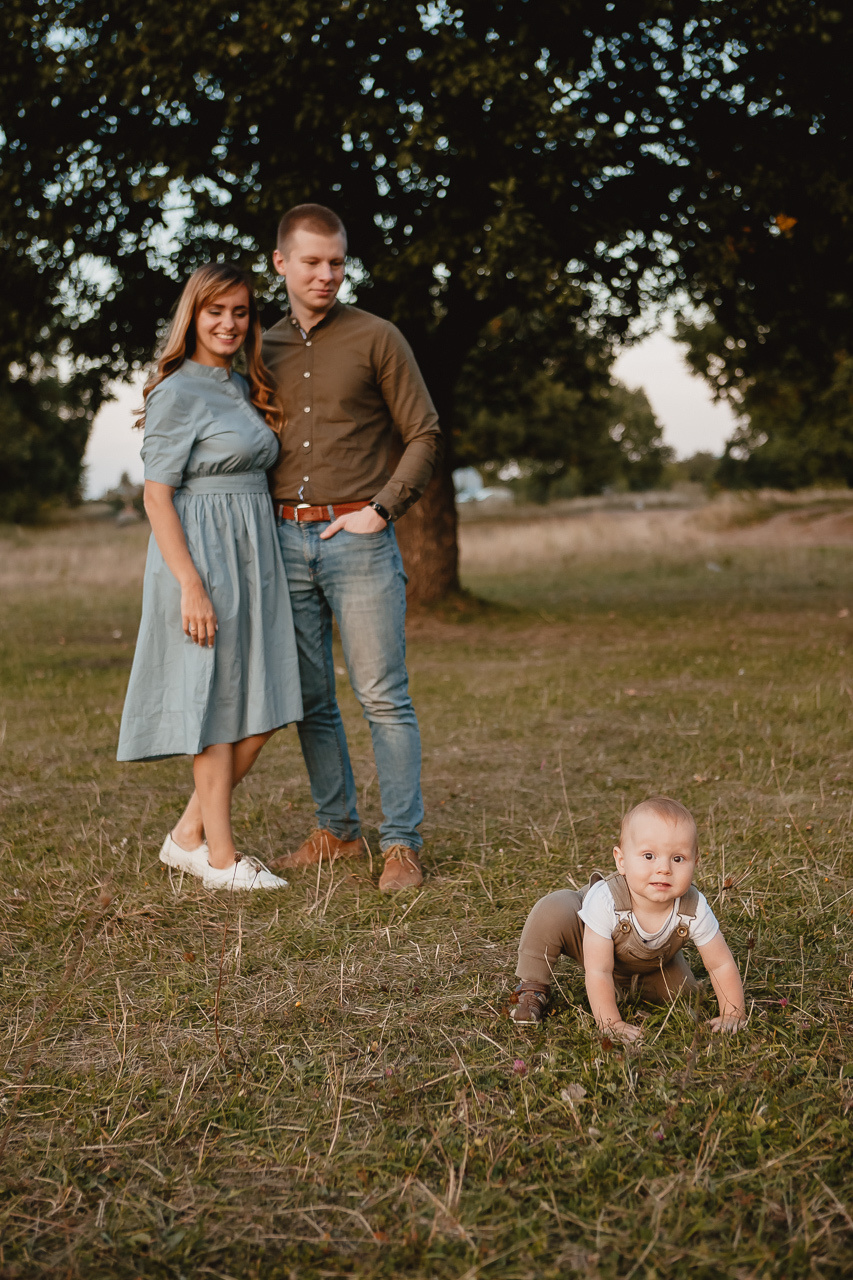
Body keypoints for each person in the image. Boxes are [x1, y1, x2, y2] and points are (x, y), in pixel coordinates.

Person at [261, 204, 442, 894]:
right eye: (311, 261)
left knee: (383, 697)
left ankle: (401, 844)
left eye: (336, 261)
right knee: (311, 698)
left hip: (358, 539)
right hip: (283, 539)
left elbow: (423, 432)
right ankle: (336, 831)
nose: (326, 274)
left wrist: (380, 509)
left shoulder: (378, 337)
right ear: (281, 262)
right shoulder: (260, 347)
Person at [117, 263, 302, 891]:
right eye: (215, 311)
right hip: (202, 557)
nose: (228, 323)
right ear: (193, 316)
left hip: (254, 556)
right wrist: (190, 585)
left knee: (267, 703)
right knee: (217, 704)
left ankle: (187, 835)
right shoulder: (176, 392)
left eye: (240, 312)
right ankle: (221, 861)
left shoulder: (243, 384)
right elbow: (156, 497)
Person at [510, 796, 747, 1038]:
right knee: (554, 909)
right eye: (649, 856)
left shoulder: (694, 907)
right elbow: (598, 969)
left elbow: (721, 964)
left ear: (695, 862)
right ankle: (533, 986)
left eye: (678, 859)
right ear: (621, 861)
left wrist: (733, 1013)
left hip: (651, 964)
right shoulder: (607, 901)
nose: (664, 869)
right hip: (585, 940)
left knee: (684, 995)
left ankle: (624, 988)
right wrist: (610, 1023)